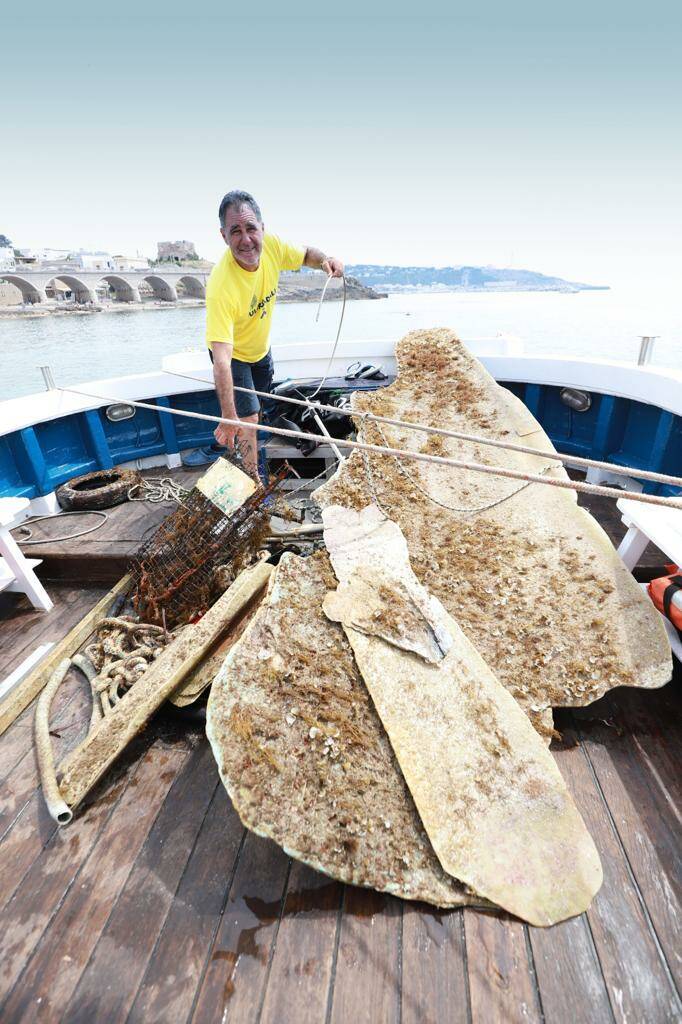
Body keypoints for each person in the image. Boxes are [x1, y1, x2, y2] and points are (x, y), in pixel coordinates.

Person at [184, 189, 343, 476]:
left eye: (250, 228)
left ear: (262, 228)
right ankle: (253, 479)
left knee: (262, 404)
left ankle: (250, 440)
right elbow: (221, 360)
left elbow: (307, 254)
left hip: (261, 349)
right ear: (223, 236)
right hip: (235, 357)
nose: (246, 240)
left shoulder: (272, 246)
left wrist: (326, 261)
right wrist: (228, 416)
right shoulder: (222, 285)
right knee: (248, 417)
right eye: (235, 231)